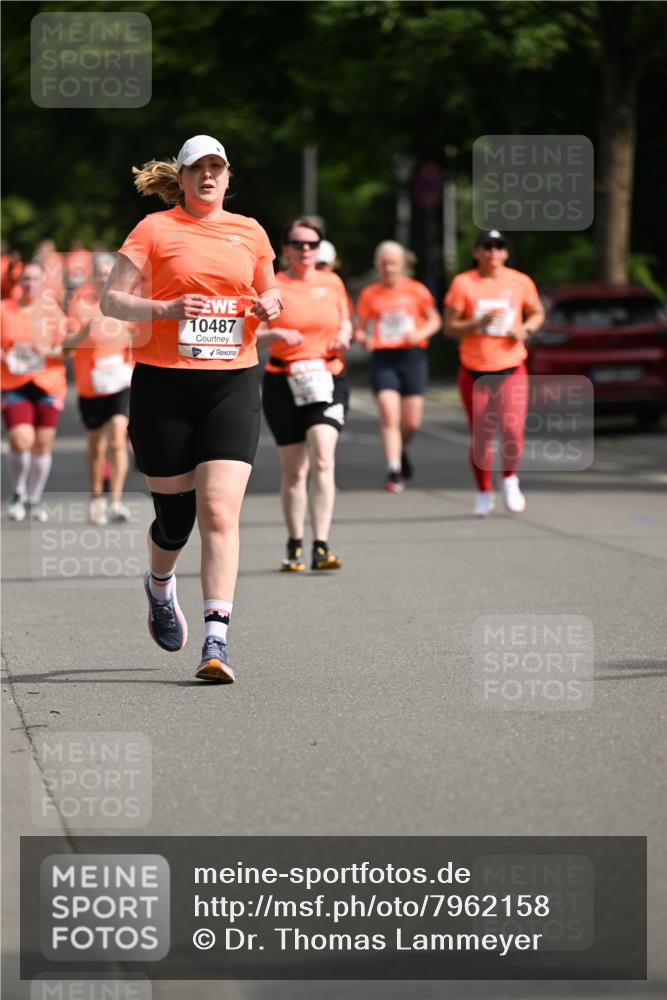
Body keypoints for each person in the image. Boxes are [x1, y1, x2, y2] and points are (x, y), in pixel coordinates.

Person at [100, 134, 282, 683]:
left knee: (221, 512)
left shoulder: (250, 231)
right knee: (175, 522)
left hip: (233, 382)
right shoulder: (155, 229)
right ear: (179, 179)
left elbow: (270, 292)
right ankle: (159, 585)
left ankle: (217, 641)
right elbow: (112, 299)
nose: (207, 176)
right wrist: (168, 307)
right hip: (164, 386)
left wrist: (273, 302)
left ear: (228, 177)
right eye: (197, 168)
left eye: (216, 168)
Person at [258, 217, 351, 572]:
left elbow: (345, 321)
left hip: (328, 377)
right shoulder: (274, 286)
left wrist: (344, 333)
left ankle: (322, 545)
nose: (306, 250)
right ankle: (295, 543)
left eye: (312, 244)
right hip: (284, 381)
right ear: (286, 249)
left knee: (323, 457)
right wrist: (277, 336)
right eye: (298, 244)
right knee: (295, 471)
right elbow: (253, 335)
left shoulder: (332, 283)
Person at [444, 229, 545, 517]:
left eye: (498, 247)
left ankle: (510, 477)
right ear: (476, 253)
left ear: (506, 253)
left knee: (513, 431)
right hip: (474, 370)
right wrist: (477, 322)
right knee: (482, 438)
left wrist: (525, 330)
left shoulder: (519, 281)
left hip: (511, 366)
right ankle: (483, 491)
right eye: (486, 247)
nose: (493, 253)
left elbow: (537, 312)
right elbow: (450, 327)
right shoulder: (464, 283)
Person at [355, 241, 441, 492]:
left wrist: (420, 332)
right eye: (383, 263)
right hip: (384, 358)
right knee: (389, 414)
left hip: (412, 356)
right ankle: (394, 470)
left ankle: (399, 450)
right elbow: (360, 329)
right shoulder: (370, 294)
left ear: (403, 264)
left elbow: (435, 320)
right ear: (377, 266)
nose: (388, 268)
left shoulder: (417, 290)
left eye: (393, 263)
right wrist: (364, 340)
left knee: (411, 422)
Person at [66, 252, 133, 525]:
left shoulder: (125, 302)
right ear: (93, 277)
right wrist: (84, 331)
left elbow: (140, 333)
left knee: (118, 438)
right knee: (96, 443)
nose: (105, 278)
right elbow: (66, 344)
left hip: (120, 380)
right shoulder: (79, 303)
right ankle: (96, 497)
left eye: (109, 273)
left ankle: (116, 500)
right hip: (90, 383)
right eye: (100, 274)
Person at [1, 261, 67, 521]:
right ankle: (18, 491)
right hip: (13, 383)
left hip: (48, 382)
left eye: (34, 279)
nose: (29, 284)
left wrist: (48, 351)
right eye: (25, 279)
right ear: (20, 283)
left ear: (42, 283)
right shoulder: (4, 309)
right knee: (21, 439)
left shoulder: (52, 312)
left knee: (42, 444)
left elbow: (68, 347)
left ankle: (34, 498)